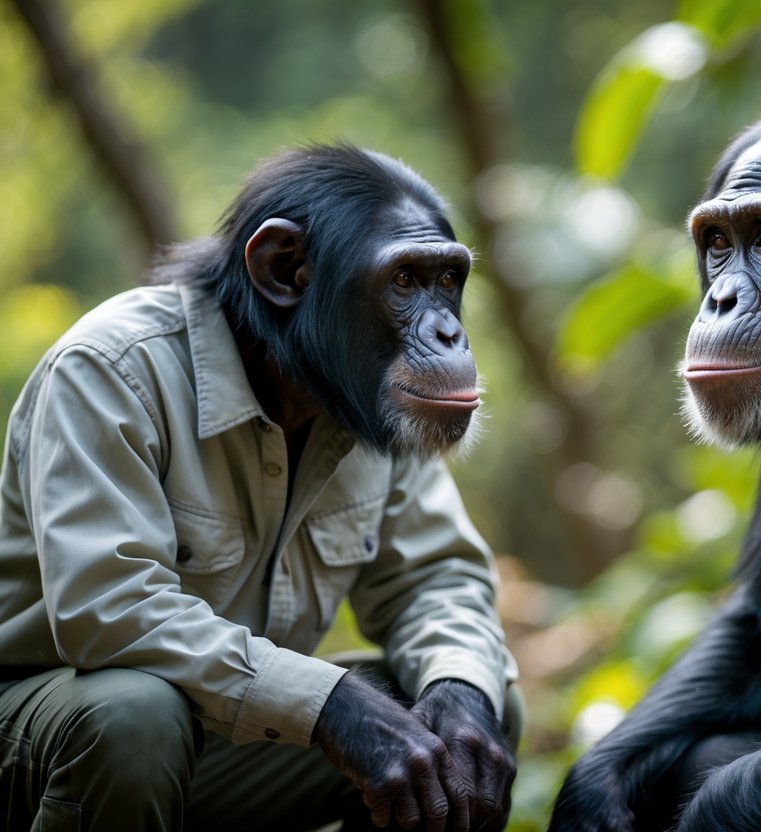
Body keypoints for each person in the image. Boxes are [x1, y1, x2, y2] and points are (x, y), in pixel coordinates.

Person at [0, 145, 519, 831]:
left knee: (465, 724)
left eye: (445, 280)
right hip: (43, 742)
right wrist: (331, 704)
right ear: (284, 270)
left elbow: (436, 581)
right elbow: (111, 612)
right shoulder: (113, 368)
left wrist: (458, 684)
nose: (445, 330)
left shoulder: (364, 394)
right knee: (135, 716)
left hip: (211, 745)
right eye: (404, 281)